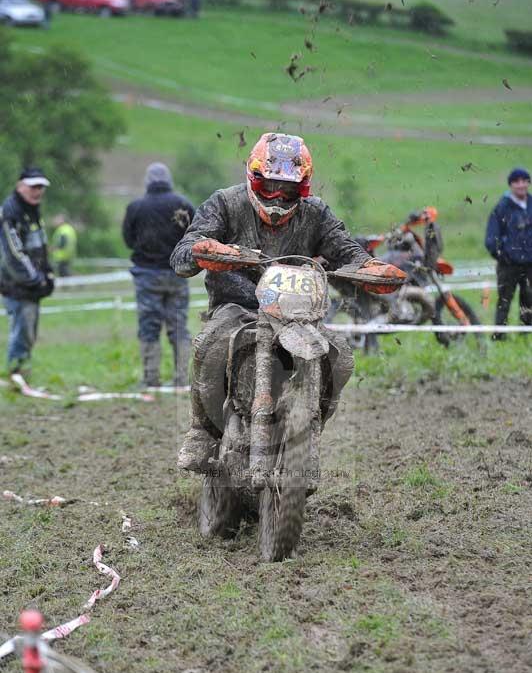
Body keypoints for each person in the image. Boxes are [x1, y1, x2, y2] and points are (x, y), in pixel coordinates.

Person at [171, 132, 404, 471]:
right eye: (269, 188)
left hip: (297, 313)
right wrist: (206, 250)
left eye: (289, 190)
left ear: (303, 188)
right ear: (254, 179)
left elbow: (346, 250)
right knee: (209, 343)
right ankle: (201, 431)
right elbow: (182, 252)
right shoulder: (225, 203)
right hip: (238, 306)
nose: (278, 197)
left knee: (339, 357)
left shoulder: (315, 213)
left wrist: (370, 268)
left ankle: (311, 430)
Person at [122, 163, 195, 388]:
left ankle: (150, 378)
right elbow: (194, 234)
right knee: (179, 325)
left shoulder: (136, 207)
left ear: (148, 181)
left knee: (149, 326)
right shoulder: (182, 205)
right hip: (177, 274)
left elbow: (128, 240)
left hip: (147, 275)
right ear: (168, 180)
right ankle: (183, 378)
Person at [0, 167, 54, 377]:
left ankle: (22, 372)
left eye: (40, 187)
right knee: (22, 331)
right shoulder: (10, 212)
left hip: (32, 284)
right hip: (16, 284)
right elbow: (13, 254)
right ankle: (16, 374)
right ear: (20, 186)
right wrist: (34, 279)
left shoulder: (33, 211)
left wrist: (48, 273)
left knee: (29, 333)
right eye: (33, 186)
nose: (37, 191)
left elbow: (41, 245)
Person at [485, 167, 532, 339]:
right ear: (511, 185)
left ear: (528, 183)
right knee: (504, 301)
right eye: (516, 181)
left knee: (529, 301)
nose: (520, 185)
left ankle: (525, 336)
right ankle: (499, 336)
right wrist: (503, 256)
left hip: (530, 265)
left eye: (524, 181)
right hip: (508, 266)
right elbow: (491, 239)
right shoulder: (502, 208)